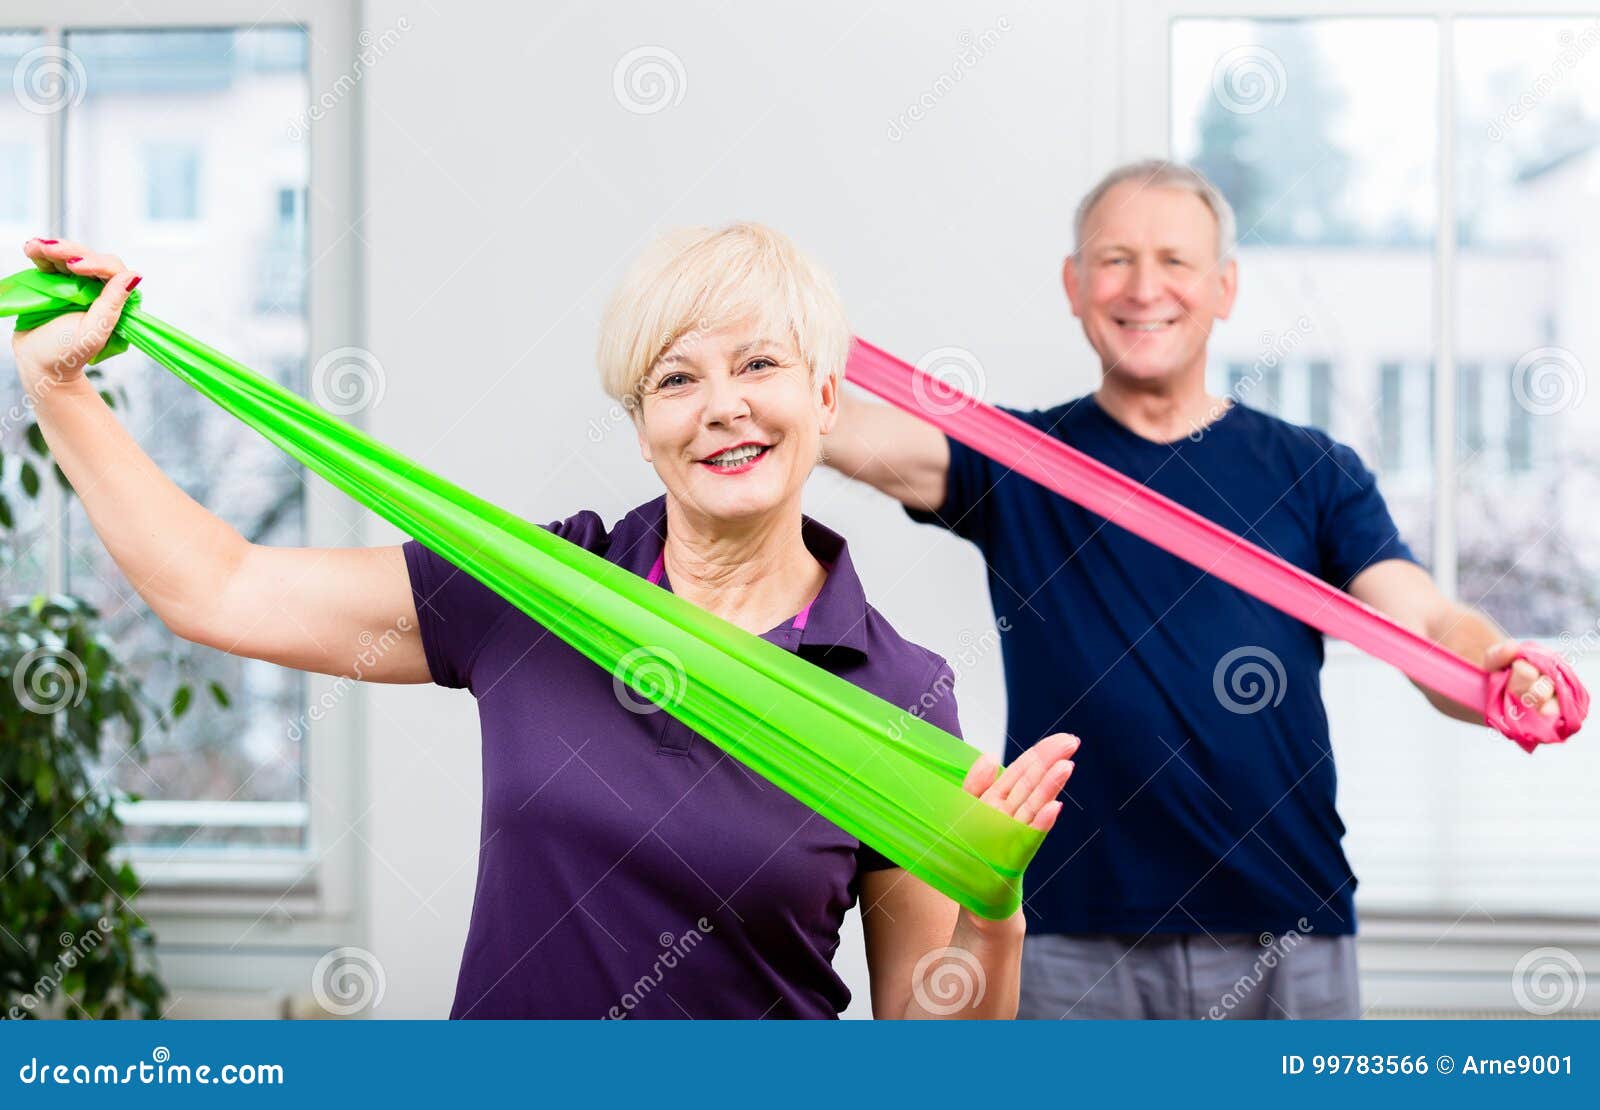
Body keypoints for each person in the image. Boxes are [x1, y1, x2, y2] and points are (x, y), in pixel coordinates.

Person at [12, 223, 1077, 1019]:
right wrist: (62, 390)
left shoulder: (901, 690)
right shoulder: (538, 588)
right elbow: (222, 586)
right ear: (641, 427)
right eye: (676, 379)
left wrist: (994, 915)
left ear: (827, 399)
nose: (722, 406)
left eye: (759, 364)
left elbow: (933, 1058)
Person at [821, 160, 1566, 1020]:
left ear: (1224, 287)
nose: (1145, 288)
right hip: (1067, 934)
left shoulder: (1311, 471)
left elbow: (1427, 620)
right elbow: (841, 428)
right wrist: (761, 357)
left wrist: (1495, 673)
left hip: (1288, 930)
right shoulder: (1015, 464)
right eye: (1115, 260)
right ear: (1074, 284)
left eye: (1175, 260)